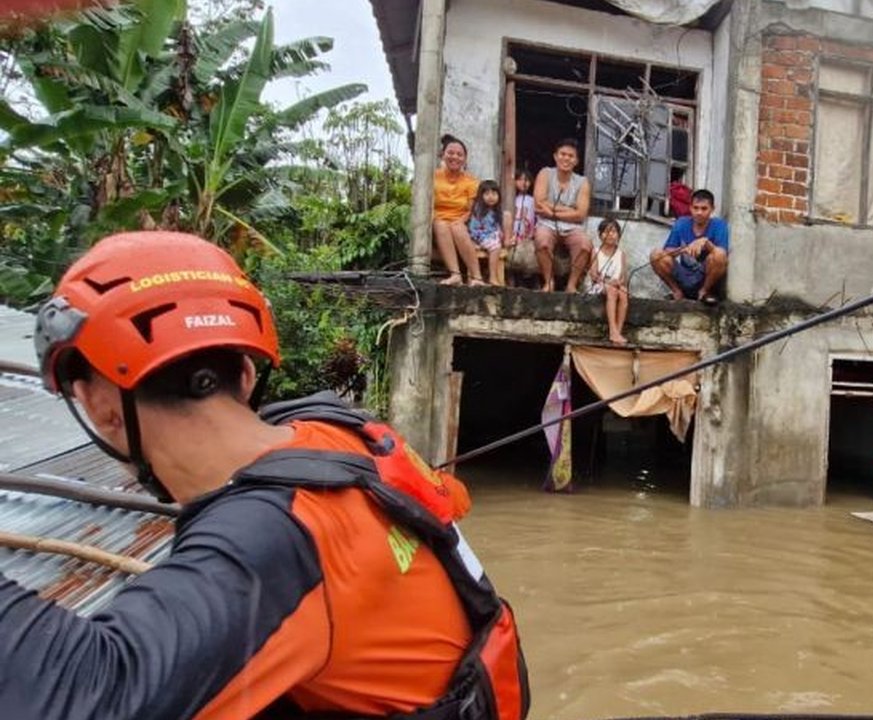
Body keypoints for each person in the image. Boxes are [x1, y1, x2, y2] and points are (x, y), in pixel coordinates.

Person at [12, 231, 530, 719]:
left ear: (101, 405)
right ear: (247, 372)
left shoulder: (272, 536)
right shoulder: (333, 429)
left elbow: (87, 695)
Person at [533, 138, 592, 293]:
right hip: (546, 224)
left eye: (571, 156)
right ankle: (549, 281)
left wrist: (551, 211)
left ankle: (571, 285)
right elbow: (539, 204)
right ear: (555, 156)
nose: (566, 158)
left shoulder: (582, 182)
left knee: (585, 244)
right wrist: (568, 210)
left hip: (573, 227)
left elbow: (581, 214)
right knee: (542, 240)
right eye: (562, 154)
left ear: (576, 161)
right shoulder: (545, 173)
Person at [651, 188, 729, 305]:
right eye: (695, 208)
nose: (699, 212)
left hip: (705, 278)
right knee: (656, 255)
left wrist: (707, 244)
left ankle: (704, 292)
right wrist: (684, 249)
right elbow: (667, 251)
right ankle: (677, 292)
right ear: (690, 208)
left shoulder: (719, 225)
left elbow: (722, 255)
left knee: (719, 255)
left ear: (712, 209)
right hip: (684, 275)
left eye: (704, 209)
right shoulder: (682, 223)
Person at [433, 135, 485, 286]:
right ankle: (455, 275)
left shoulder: (471, 181)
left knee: (457, 228)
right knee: (441, 225)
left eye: (459, 154)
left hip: (461, 220)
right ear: (443, 155)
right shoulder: (433, 177)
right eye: (450, 153)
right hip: (437, 220)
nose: (454, 157)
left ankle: (477, 277)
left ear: (464, 159)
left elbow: (472, 209)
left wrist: (460, 221)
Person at [585, 218, 629, 346]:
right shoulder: (596, 251)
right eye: (605, 232)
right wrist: (608, 282)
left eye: (613, 231)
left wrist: (618, 282)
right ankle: (612, 330)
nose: (609, 234)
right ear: (600, 235)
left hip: (616, 285)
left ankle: (618, 331)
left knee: (624, 292)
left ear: (618, 235)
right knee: (612, 290)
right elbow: (593, 275)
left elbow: (623, 278)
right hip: (598, 286)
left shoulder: (621, 254)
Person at [468, 179, 506, 285]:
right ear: (481, 196)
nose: (491, 197)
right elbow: (473, 228)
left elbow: (497, 226)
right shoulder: (478, 210)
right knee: (495, 247)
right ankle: (493, 276)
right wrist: (477, 239)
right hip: (480, 237)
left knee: (497, 242)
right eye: (487, 194)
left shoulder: (496, 211)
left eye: (494, 194)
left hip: (491, 236)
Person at [511, 168, 537, 246]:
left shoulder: (533, 200)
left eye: (526, 180)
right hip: (514, 234)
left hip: (528, 234)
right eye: (519, 179)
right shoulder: (511, 199)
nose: (523, 183)